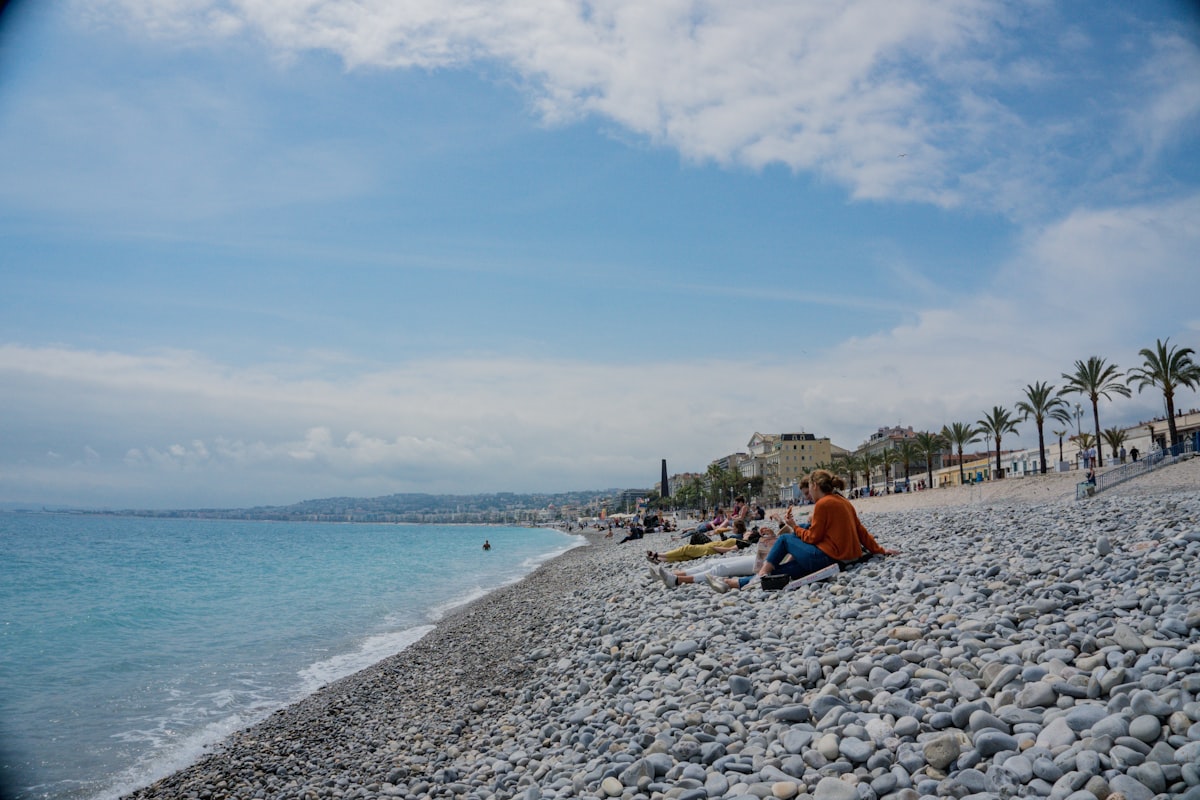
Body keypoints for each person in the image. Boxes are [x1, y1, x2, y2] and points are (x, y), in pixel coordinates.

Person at [707, 469, 900, 593]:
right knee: (788, 571)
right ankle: (735, 584)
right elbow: (861, 531)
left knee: (785, 541)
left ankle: (760, 576)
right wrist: (879, 550)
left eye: (809, 490)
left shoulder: (824, 504)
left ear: (815, 486)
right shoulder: (843, 501)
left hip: (828, 556)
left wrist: (795, 528)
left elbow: (813, 537)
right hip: (842, 559)